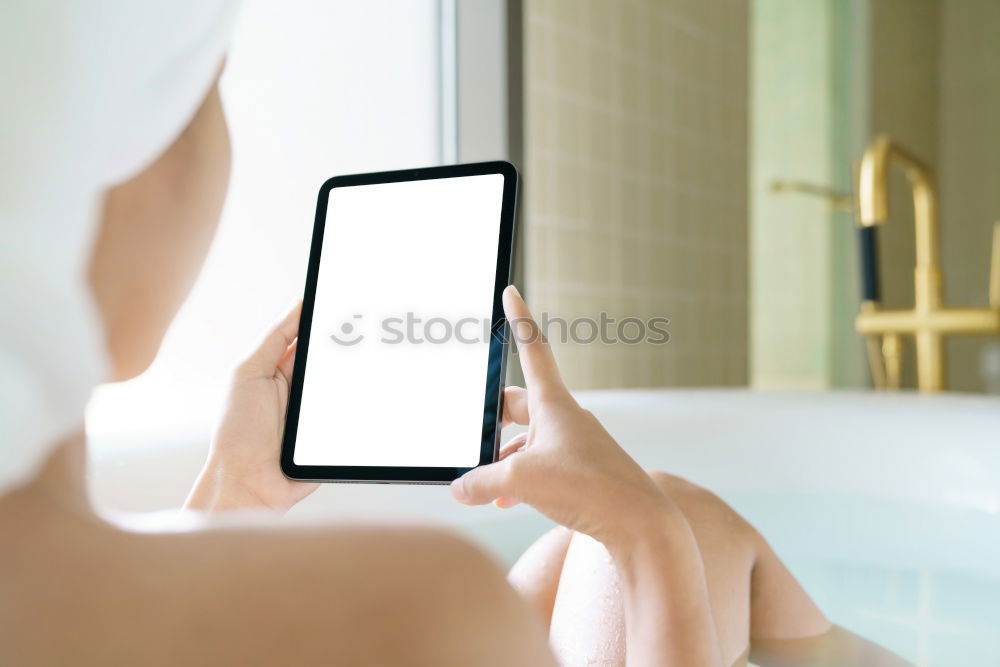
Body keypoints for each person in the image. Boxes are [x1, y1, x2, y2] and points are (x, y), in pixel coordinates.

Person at [0, 3, 909, 665]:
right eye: (207, 87)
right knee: (671, 528)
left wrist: (236, 485)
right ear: (109, 157)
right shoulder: (417, 614)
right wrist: (643, 533)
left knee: (634, 537)